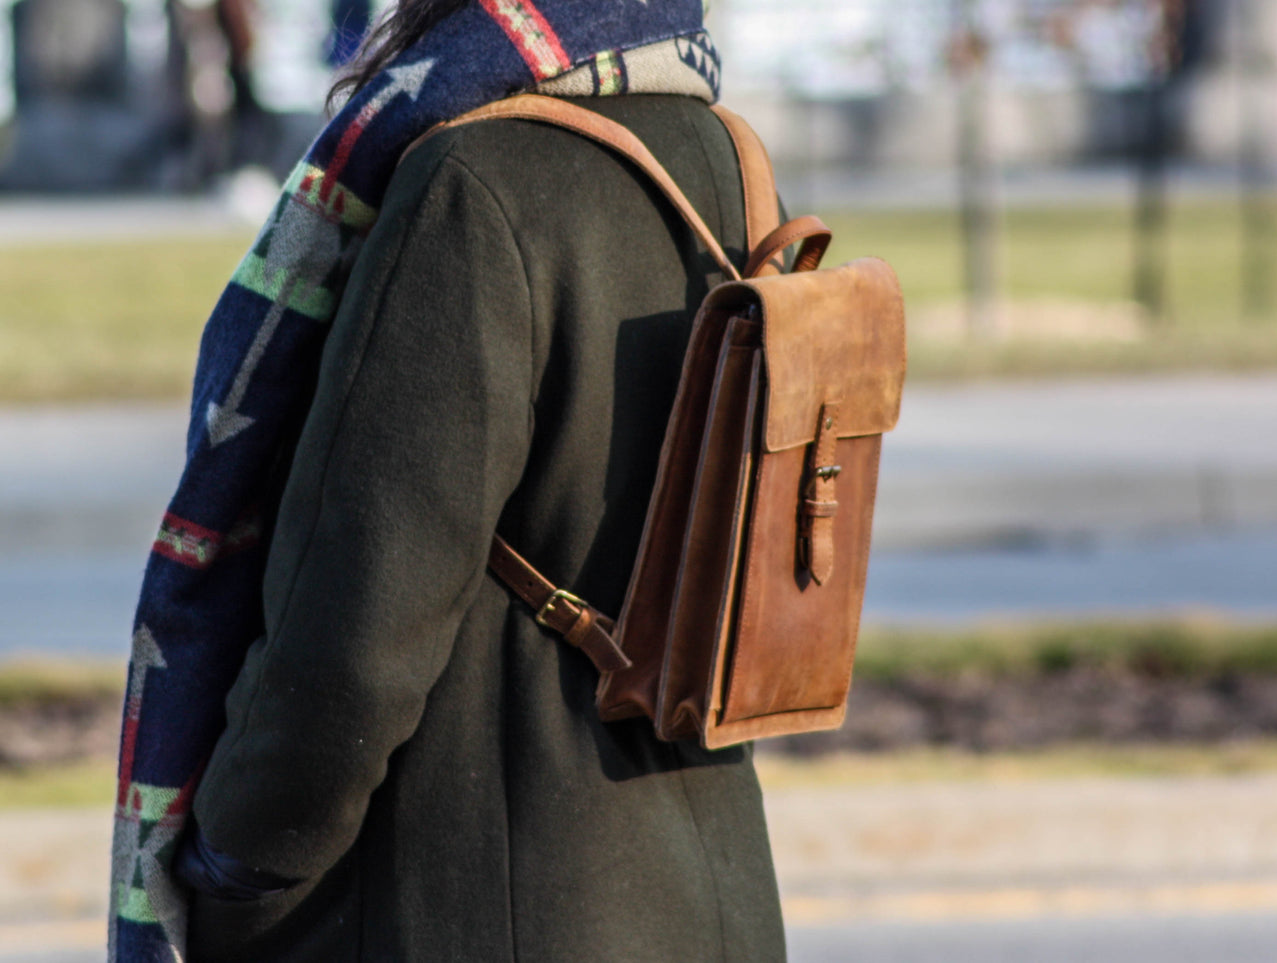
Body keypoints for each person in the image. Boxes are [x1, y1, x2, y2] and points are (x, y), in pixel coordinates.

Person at [109, 3, 785, 961]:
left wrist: (232, 871)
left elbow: (347, 644)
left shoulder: (465, 179)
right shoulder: (720, 149)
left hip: (473, 905)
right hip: (709, 895)